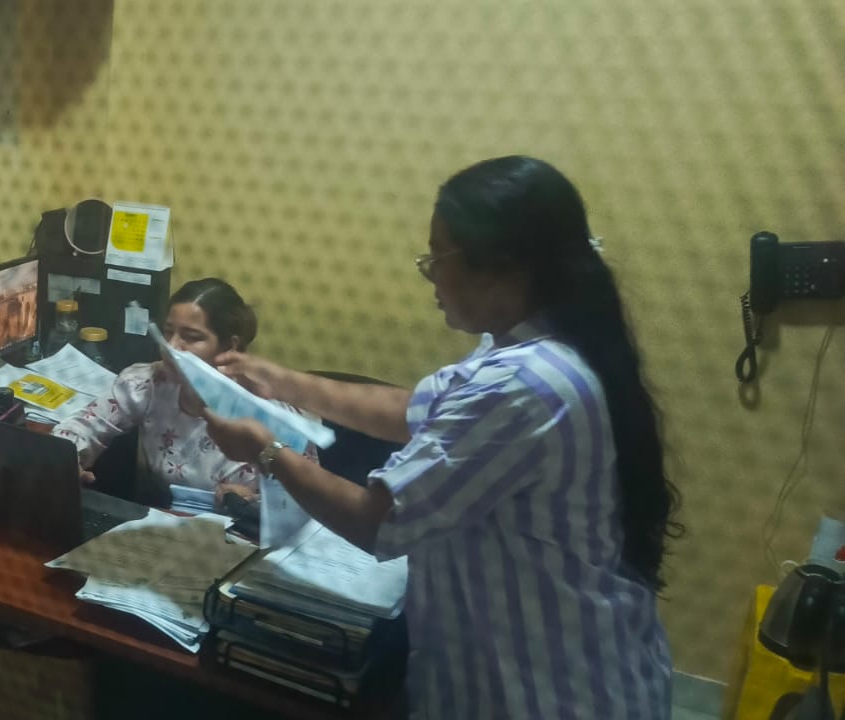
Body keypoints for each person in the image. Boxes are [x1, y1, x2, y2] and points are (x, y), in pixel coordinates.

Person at [199, 156, 680, 719]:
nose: (428, 274)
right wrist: (278, 379)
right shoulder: (528, 345)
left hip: (547, 691)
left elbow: (378, 522)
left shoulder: (522, 386)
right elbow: (413, 411)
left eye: (437, 258)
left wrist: (266, 450)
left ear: (500, 268)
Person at [53, 278, 304, 513]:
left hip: (241, 534)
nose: (171, 347)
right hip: (165, 526)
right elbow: (82, 426)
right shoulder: (149, 383)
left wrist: (255, 502)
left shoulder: (270, 410)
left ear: (230, 346)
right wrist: (67, 462)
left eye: (191, 338)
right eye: (168, 332)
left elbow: (307, 498)